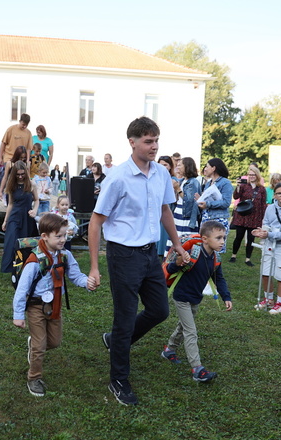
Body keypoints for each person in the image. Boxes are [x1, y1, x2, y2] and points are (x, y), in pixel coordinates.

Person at [88, 116, 189, 406]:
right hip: (123, 255)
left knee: (159, 310)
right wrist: (94, 266)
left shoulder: (160, 174)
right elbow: (95, 222)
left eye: (156, 140)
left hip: (149, 254)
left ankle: (116, 341)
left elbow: (165, 210)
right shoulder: (118, 177)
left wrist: (178, 245)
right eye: (148, 141)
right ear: (132, 143)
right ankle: (118, 379)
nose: (154, 146)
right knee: (124, 317)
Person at [12, 213, 93, 396]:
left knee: (54, 342)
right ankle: (34, 378)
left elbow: (75, 276)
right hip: (35, 307)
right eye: (58, 236)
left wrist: (87, 283)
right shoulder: (34, 261)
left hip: (55, 305)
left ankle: (34, 346)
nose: (63, 239)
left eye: (65, 235)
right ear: (45, 236)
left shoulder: (65, 255)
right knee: (40, 347)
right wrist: (18, 315)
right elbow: (22, 290)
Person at [161, 221, 232, 382]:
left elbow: (219, 279)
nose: (222, 241)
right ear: (205, 239)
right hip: (182, 297)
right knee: (190, 331)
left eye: (224, 238)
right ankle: (197, 369)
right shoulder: (192, 253)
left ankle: (169, 349)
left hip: (195, 298)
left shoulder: (216, 258)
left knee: (183, 326)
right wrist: (178, 262)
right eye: (218, 238)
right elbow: (172, 268)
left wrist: (226, 297)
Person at [251, 182, 281, 314]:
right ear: (274, 195)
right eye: (279, 193)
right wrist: (262, 232)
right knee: (265, 272)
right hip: (270, 242)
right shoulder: (270, 208)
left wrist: (269, 234)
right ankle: (268, 299)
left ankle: (280, 303)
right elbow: (266, 223)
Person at [1, 161, 39, 273]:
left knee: (25, 244)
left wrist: (35, 210)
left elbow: (37, 200)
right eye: (18, 174)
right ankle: (10, 268)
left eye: (22, 174)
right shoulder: (11, 185)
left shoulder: (31, 184)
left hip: (27, 217)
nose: (21, 176)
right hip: (14, 216)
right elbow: (10, 204)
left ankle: (25, 268)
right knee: (11, 241)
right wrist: (5, 221)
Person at [230, 166, 267, 266]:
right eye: (250, 175)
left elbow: (263, 204)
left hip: (255, 217)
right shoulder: (243, 186)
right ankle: (233, 255)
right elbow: (236, 196)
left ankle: (248, 259)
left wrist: (263, 217)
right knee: (238, 237)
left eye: (253, 174)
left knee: (251, 238)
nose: (251, 176)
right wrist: (238, 186)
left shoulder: (262, 189)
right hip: (242, 216)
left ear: (257, 175)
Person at [196, 158, 233, 253]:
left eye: (207, 166)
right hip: (206, 218)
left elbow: (226, 202)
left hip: (218, 219)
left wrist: (208, 204)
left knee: (216, 251)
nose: (205, 169)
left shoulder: (225, 183)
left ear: (213, 168)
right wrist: (201, 200)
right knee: (204, 248)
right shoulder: (208, 183)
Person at [171, 157, 201, 239]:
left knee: (185, 239)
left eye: (179, 165)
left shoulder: (193, 182)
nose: (177, 167)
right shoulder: (181, 181)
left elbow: (189, 201)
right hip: (178, 212)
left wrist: (178, 189)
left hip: (186, 215)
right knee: (176, 238)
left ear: (187, 166)